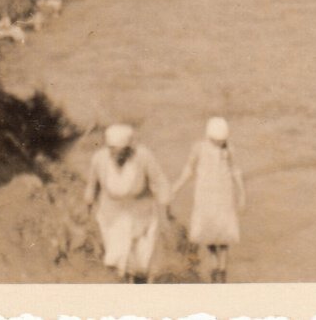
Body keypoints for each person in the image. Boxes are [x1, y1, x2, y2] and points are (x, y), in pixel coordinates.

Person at [84, 124, 171, 283]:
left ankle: (139, 285)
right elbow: (92, 186)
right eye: (113, 151)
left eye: (121, 152)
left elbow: (160, 182)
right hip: (112, 217)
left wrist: (165, 210)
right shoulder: (99, 159)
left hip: (142, 217)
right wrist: (88, 210)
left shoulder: (143, 156)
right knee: (119, 261)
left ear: (129, 149)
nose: (117, 156)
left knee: (140, 266)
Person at [171, 116, 246, 283]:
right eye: (216, 140)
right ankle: (214, 267)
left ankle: (222, 268)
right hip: (205, 195)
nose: (220, 143)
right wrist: (175, 188)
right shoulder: (199, 148)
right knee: (209, 232)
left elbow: (236, 172)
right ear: (209, 137)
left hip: (224, 194)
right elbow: (189, 169)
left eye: (222, 140)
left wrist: (242, 195)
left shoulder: (229, 150)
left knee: (224, 232)